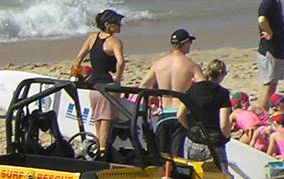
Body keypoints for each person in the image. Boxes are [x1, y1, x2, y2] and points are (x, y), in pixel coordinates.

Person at [71, 9, 126, 151]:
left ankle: (97, 149)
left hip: (93, 86)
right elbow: (121, 62)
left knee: (98, 121)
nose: (120, 25)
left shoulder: (92, 38)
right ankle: (101, 152)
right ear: (108, 25)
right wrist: (117, 81)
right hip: (107, 87)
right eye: (117, 23)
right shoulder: (115, 42)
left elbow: (78, 59)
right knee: (106, 124)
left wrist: (76, 75)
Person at [180, 59, 233, 166]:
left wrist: (189, 128)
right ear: (221, 74)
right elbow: (223, 124)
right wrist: (227, 136)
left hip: (192, 141)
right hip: (213, 143)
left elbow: (180, 114)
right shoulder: (222, 93)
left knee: (192, 177)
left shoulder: (193, 89)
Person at [138, 29, 204, 107]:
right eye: (190, 42)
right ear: (185, 43)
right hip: (182, 113)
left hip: (164, 113)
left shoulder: (158, 64)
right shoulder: (192, 66)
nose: (190, 45)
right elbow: (205, 88)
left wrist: (147, 107)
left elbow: (143, 86)